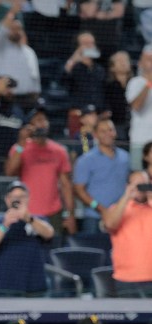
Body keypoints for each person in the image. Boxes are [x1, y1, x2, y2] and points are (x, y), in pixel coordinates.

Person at [5, 104, 76, 239]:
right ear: (29, 125)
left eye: (43, 120)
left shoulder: (59, 151)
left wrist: (70, 215)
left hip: (53, 212)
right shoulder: (20, 148)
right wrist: (21, 143)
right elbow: (10, 172)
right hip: (27, 211)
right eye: (37, 120)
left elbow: (66, 185)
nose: (41, 124)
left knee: (54, 253)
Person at [0, 181, 53, 296]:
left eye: (22, 196)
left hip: (35, 284)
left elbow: (49, 233)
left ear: (28, 198)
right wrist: (5, 225)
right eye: (14, 197)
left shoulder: (37, 220)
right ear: (7, 199)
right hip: (6, 286)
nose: (18, 200)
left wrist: (29, 219)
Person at [73, 118, 130, 233]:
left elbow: (128, 184)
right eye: (103, 131)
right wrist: (101, 208)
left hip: (121, 215)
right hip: (94, 217)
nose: (108, 134)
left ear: (115, 132)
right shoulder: (85, 160)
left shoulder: (125, 157)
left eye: (110, 130)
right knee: (93, 250)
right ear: (95, 135)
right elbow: (79, 190)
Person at [101, 169, 152, 297]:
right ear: (127, 186)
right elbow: (110, 224)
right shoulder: (117, 208)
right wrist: (127, 196)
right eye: (136, 185)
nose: (140, 189)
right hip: (126, 279)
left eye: (143, 184)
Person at [0, 3, 40, 110]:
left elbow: (34, 76)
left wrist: (36, 94)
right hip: (7, 98)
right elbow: (2, 29)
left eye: (19, 29)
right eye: (13, 29)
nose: (16, 31)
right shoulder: (1, 47)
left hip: (28, 100)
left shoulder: (29, 51)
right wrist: (12, 11)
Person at [126, 45, 152, 171]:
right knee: (138, 177)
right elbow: (136, 106)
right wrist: (149, 83)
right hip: (140, 140)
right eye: (149, 59)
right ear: (141, 63)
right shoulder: (135, 82)